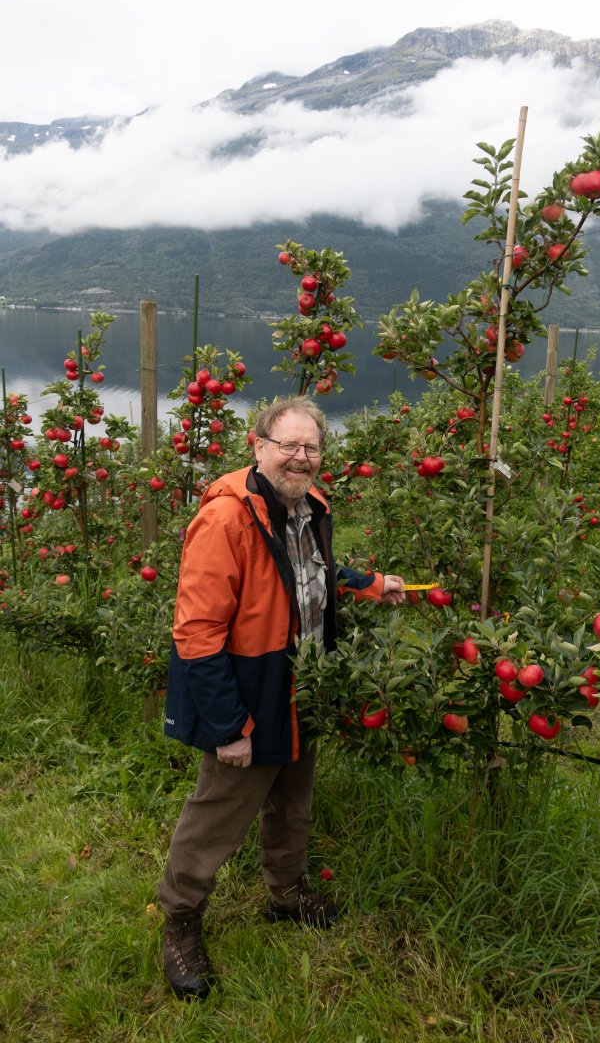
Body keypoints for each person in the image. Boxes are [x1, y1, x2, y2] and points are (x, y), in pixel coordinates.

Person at [157, 396, 405, 1000]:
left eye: (311, 446)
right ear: (259, 446)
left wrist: (372, 584)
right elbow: (196, 631)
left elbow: (312, 570)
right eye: (289, 445)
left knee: (294, 798)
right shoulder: (227, 521)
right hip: (250, 689)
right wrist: (227, 725)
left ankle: (286, 892)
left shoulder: (309, 504)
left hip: (304, 683)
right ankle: (180, 921)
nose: (301, 456)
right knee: (220, 809)